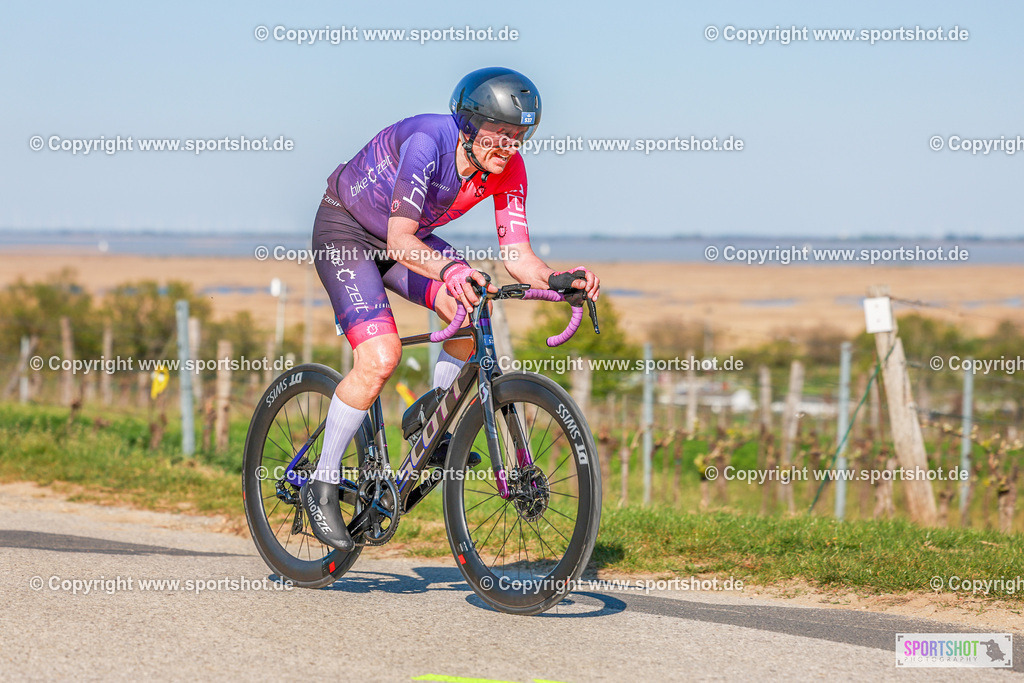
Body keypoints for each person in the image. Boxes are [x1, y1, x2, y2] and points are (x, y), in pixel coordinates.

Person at [302, 67, 601, 551]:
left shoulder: (509, 169)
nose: (508, 147)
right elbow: (399, 240)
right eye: (499, 134)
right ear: (468, 123)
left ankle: (434, 420)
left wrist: (559, 280)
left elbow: (518, 256)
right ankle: (322, 482)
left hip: (406, 238)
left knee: (471, 301)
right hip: (348, 230)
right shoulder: (428, 143)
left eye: (519, 136)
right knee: (380, 358)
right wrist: (450, 270)